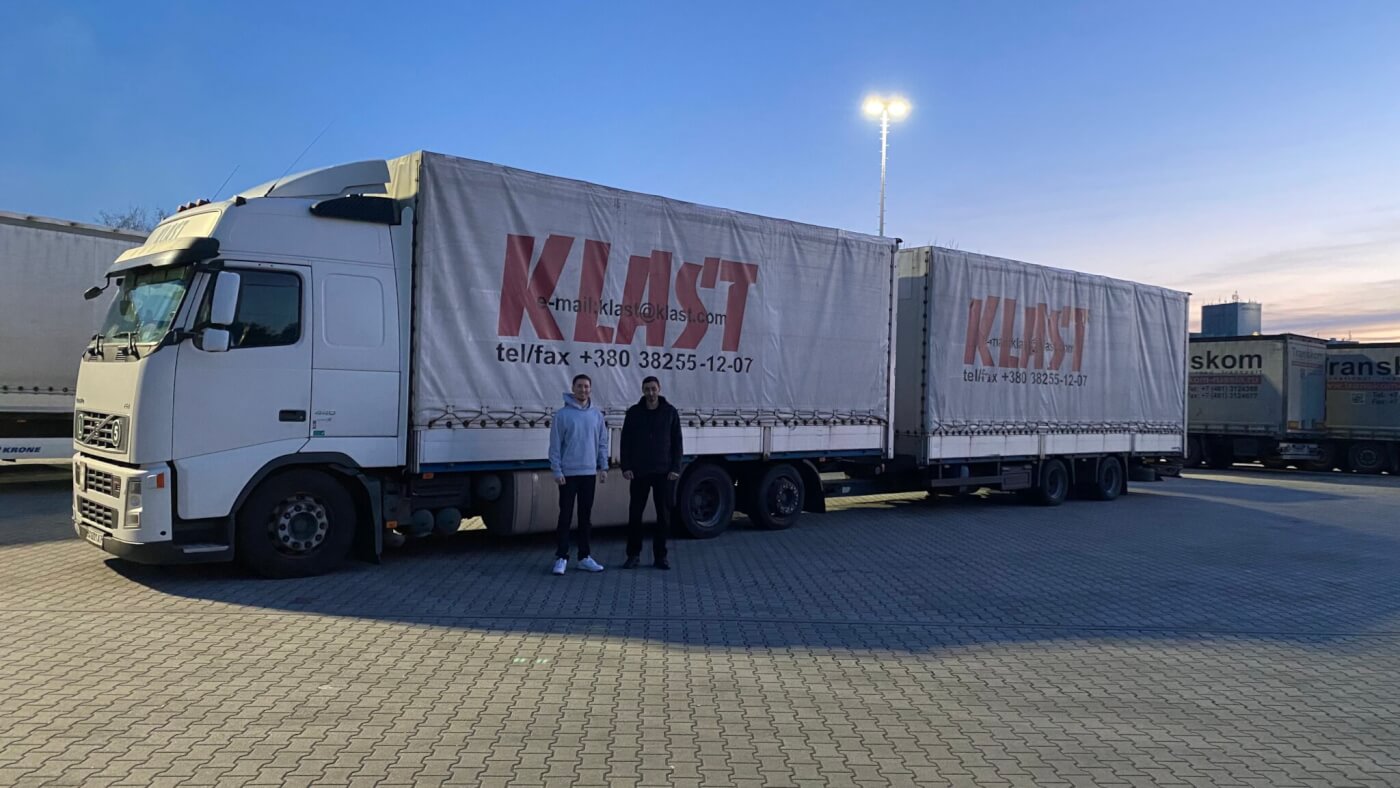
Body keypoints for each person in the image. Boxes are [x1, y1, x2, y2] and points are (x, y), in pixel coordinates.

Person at [620, 376, 683, 570]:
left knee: (663, 516)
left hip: (663, 472)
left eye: (653, 389)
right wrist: (626, 466)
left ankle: (660, 557)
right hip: (639, 472)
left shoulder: (670, 413)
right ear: (642, 390)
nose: (650, 393)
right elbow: (625, 442)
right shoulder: (634, 413)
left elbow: (677, 443)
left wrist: (675, 468)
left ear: (659, 389)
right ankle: (633, 555)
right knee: (635, 515)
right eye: (647, 389)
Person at [549, 374, 609, 575]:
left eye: (586, 387)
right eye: (579, 386)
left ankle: (584, 557)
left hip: (588, 473)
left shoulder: (596, 415)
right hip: (568, 474)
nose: (583, 390)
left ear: (590, 390)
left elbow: (602, 442)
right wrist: (557, 470)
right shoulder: (562, 415)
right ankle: (561, 557)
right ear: (573, 389)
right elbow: (555, 446)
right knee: (565, 516)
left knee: (585, 517)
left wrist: (603, 467)